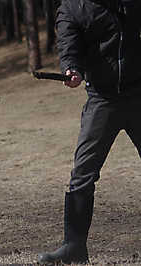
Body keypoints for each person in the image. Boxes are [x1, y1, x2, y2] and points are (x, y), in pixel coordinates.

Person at [38, 0, 141, 264]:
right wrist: (71, 70)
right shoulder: (72, 8)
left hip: (138, 94)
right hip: (102, 100)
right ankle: (73, 246)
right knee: (83, 173)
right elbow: (68, 47)